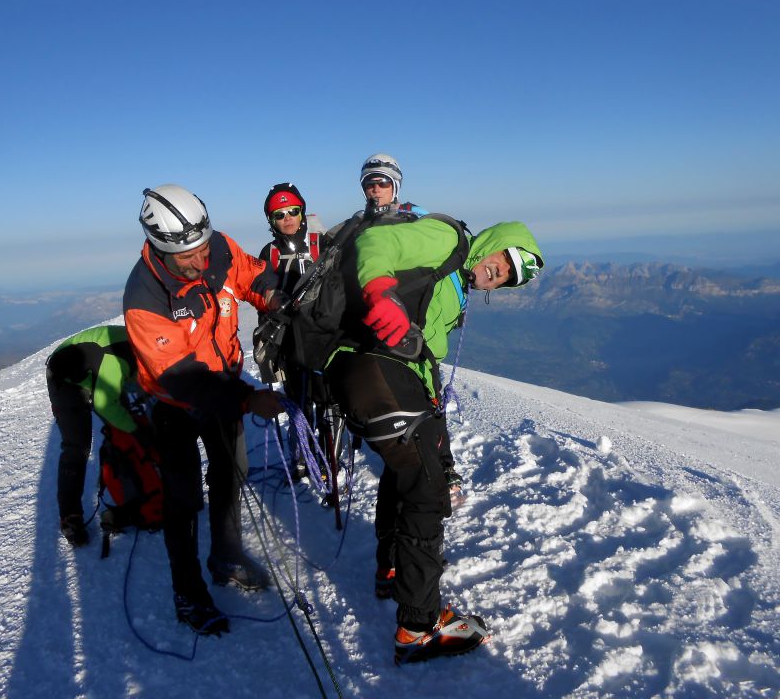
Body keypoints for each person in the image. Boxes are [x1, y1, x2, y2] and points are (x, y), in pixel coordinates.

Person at [325, 153, 544, 664]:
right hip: (370, 365)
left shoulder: (454, 283)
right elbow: (375, 241)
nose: (499, 274)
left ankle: (393, 571)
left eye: (509, 277)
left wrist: (441, 442)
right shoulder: (449, 240)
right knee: (424, 490)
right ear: (495, 242)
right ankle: (418, 628)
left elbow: (423, 358)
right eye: (505, 259)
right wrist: (381, 299)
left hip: (378, 372)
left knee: (412, 473)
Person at [123, 184, 285, 636]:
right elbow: (180, 376)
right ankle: (188, 592)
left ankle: (226, 556)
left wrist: (275, 297)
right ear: (160, 247)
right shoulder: (144, 297)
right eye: (187, 257)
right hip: (173, 402)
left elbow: (252, 276)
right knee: (183, 499)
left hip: (224, 382)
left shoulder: (216, 246)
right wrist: (247, 399)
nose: (200, 261)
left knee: (232, 471)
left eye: (202, 249)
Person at [45, 324, 144, 547]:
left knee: (124, 425)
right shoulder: (118, 358)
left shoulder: (144, 345)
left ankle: (135, 484)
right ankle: (70, 518)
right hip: (65, 377)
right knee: (77, 447)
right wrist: (137, 431)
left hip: (93, 367)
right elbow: (105, 405)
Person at [257, 182, 327, 478]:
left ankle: (325, 450)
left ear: (303, 211)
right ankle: (303, 449)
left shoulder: (322, 242)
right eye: (279, 214)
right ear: (271, 221)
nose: (287, 218)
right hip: (289, 338)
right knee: (300, 397)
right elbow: (262, 294)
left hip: (324, 333)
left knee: (326, 398)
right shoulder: (268, 252)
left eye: (293, 211)